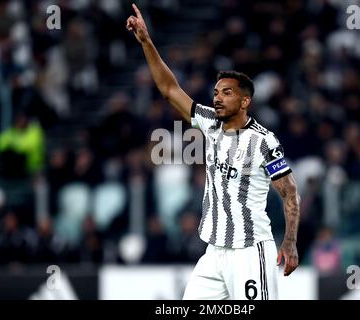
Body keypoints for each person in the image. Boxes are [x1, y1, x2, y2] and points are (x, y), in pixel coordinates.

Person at [126, 4, 301, 300]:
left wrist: (291, 242)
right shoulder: (209, 122)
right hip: (214, 253)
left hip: (249, 251)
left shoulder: (264, 142)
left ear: (245, 102)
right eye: (216, 92)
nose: (217, 98)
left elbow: (289, 193)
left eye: (226, 93)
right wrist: (146, 42)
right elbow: (169, 89)